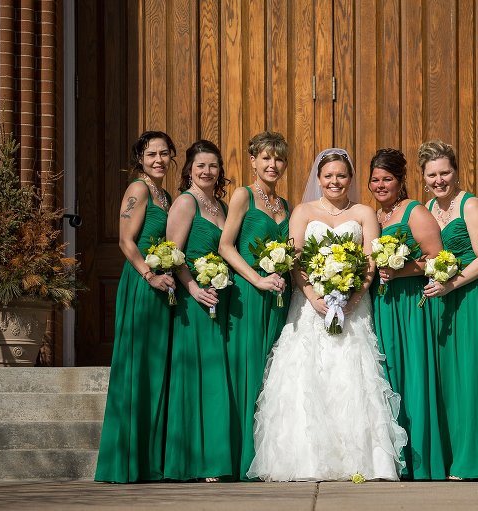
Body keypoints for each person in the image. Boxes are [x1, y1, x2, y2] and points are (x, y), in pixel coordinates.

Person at [246, 148, 407, 482]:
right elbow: (295, 260)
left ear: (350, 178)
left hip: (353, 305)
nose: (335, 181)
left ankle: (360, 460)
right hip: (310, 305)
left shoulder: (363, 213)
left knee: (353, 372)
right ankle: (306, 459)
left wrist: (355, 297)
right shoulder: (303, 211)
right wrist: (313, 296)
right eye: (328, 176)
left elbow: (370, 260)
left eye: (341, 175)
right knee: (308, 372)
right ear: (318, 179)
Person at [419, 141, 478, 480]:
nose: (439, 180)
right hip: (443, 300)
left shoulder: (470, 205)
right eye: (432, 175)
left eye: (444, 173)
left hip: (472, 297)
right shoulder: (427, 207)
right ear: (423, 178)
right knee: (448, 380)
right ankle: (453, 456)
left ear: (456, 172)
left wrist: (451, 284)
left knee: (474, 375)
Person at [95, 131, 177, 483]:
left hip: (163, 285)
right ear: (140, 159)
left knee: (156, 369)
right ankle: (125, 462)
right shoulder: (138, 189)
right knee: (137, 366)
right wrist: (149, 275)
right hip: (143, 285)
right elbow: (125, 241)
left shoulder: (166, 195)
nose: (158, 160)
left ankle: (150, 460)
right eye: (151, 154)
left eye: (164, 153)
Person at [367, 148, 446, 480]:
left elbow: (438, 258)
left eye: (387, 179)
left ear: (400, 181)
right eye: (375, 180)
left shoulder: (414, 211)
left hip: (410, 305)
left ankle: (420, 460)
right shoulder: (374, 216)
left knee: (412, 374)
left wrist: (402, 269)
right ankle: (393, 458)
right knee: (387, 376)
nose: (380, 185)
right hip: (381, 305)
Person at [218, 131, 291, 480]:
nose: (272, 164)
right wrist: (257, 280)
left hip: (280, 296)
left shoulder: (285, 205)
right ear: (253, 161)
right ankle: (242, 456)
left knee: (272, 372)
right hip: (249, 294)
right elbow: (226, 246)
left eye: (278, 158)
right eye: (266, 157)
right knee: (248, 369)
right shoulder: (243, 196)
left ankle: (269, 454)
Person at [163, 140, 232, 481]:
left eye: (213, 166)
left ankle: (217, 456)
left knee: (216, 379)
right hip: (195, 301)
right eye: (200, 165)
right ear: (189, 169)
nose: (207, 171)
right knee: (197, 377)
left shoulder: (221, 205)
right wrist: (193, 287)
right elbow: (172, 254)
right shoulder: (185, 202)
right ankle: (195, 460)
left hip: (221, 298)